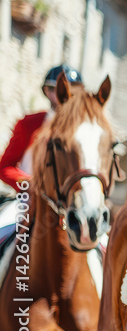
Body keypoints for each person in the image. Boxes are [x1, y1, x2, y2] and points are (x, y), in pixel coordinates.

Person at [0, 66, 84, 240]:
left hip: (72, 205)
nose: (65, 95)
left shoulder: (85, 130)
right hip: (28, 200)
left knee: (103, 246)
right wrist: (29, 184)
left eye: (73, 91)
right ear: (47, 91)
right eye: (57, 89)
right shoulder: (30, 124)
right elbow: (5, 166)